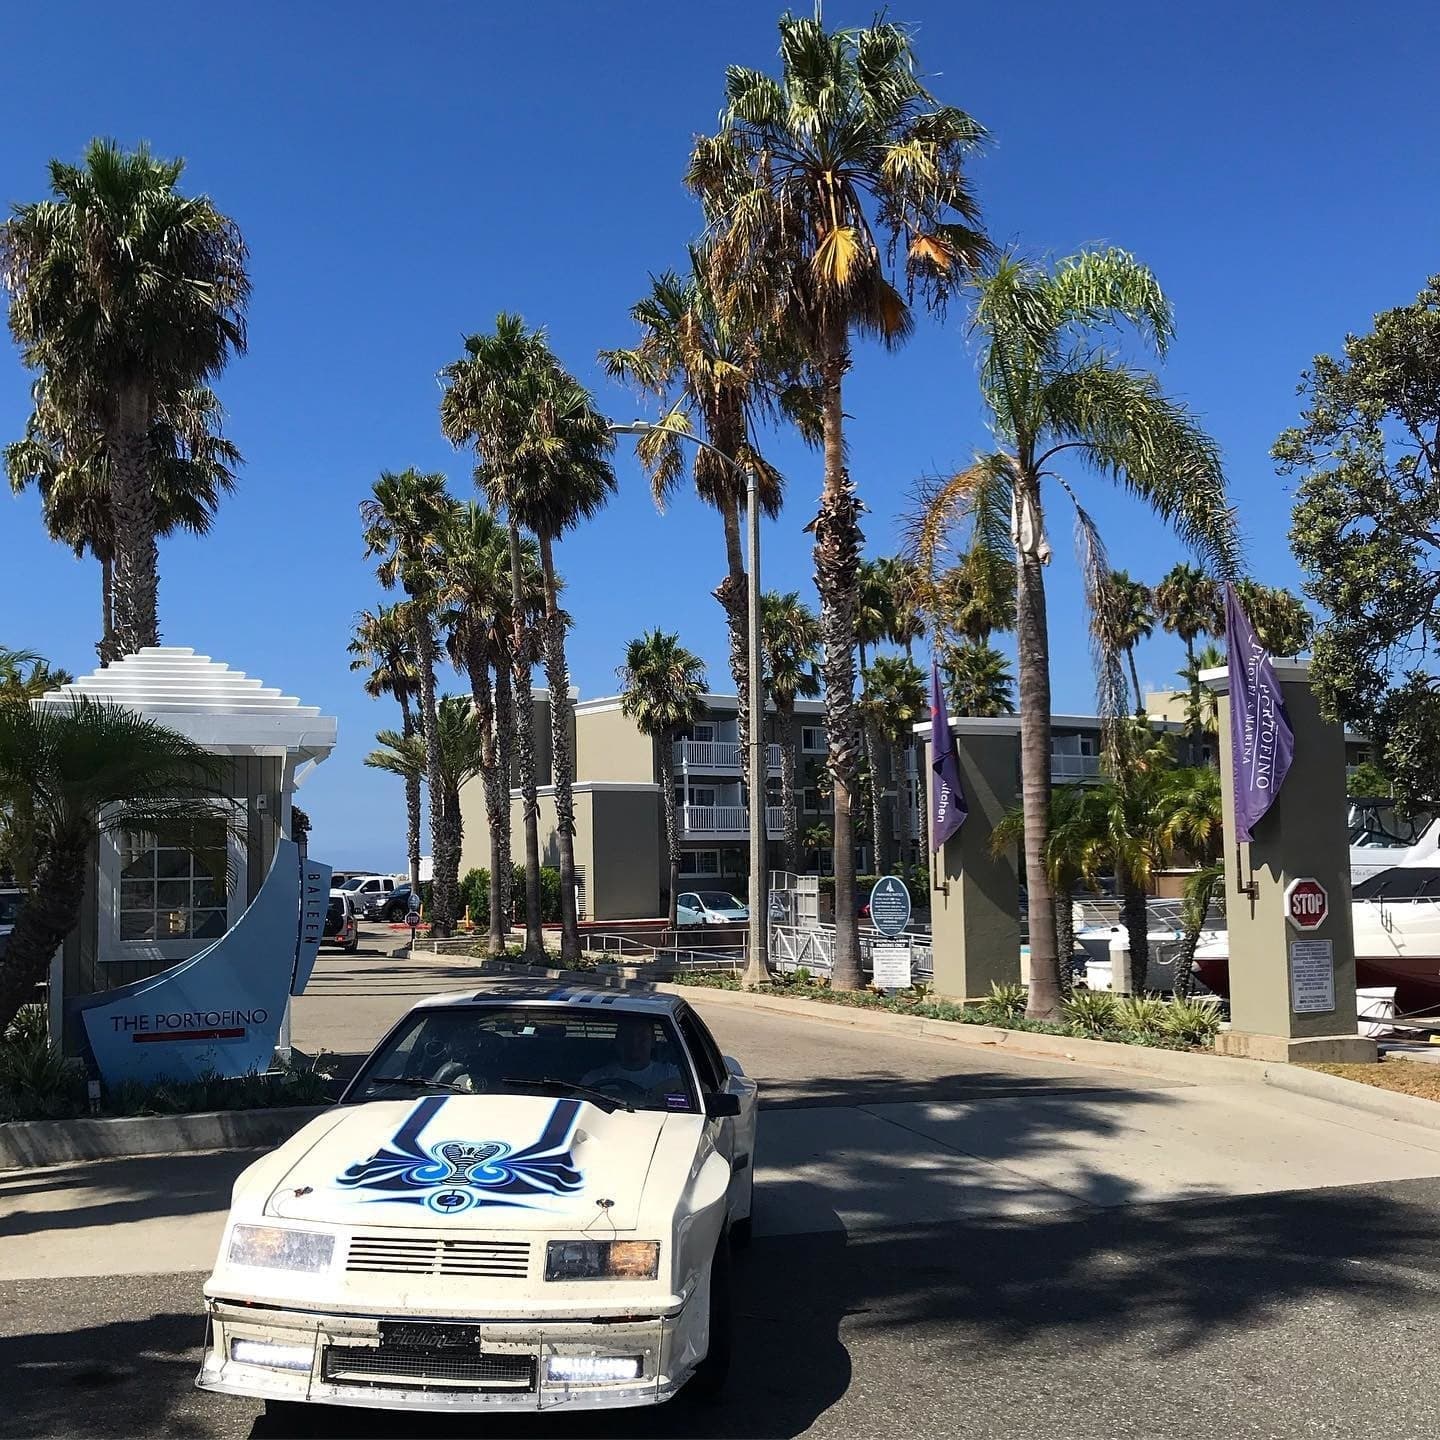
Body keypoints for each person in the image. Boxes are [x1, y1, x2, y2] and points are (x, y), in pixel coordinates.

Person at [581, 1014, 678, 1100]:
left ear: (653, 1041)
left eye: (642, 1037)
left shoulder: (671, 1075)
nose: (634, 1043)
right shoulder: (594, 1079)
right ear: (617, 1042)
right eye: (627, 1037)